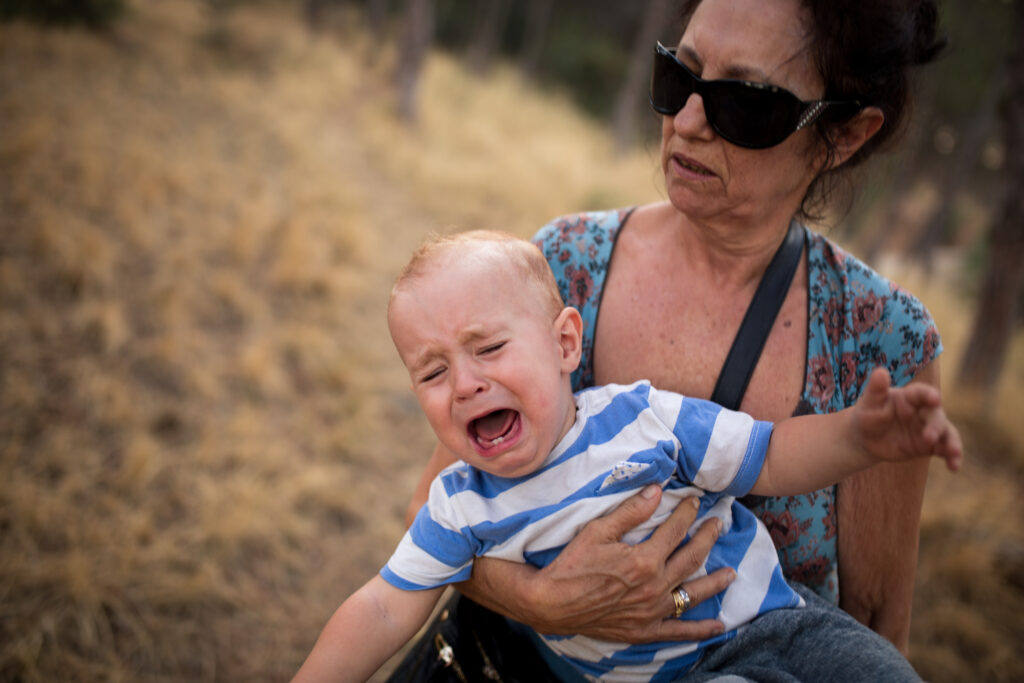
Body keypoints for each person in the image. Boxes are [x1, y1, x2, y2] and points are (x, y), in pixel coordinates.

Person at [393, 0, 951, 676]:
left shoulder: (881, 343)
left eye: (744, 103)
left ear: (845, 135)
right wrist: (541, 599)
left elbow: (875, 618)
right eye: (677, 77)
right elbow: (432, 505)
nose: (686, 122)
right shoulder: (568, 263)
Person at [291, 232, 961, 682]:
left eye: (488, 348)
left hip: (772, 620)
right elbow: (382, 608)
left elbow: (772, 454)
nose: (465, 382)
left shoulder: (640, 417)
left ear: (564, 343)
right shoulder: (463, 504)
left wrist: (860, 438)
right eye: (432, 372)